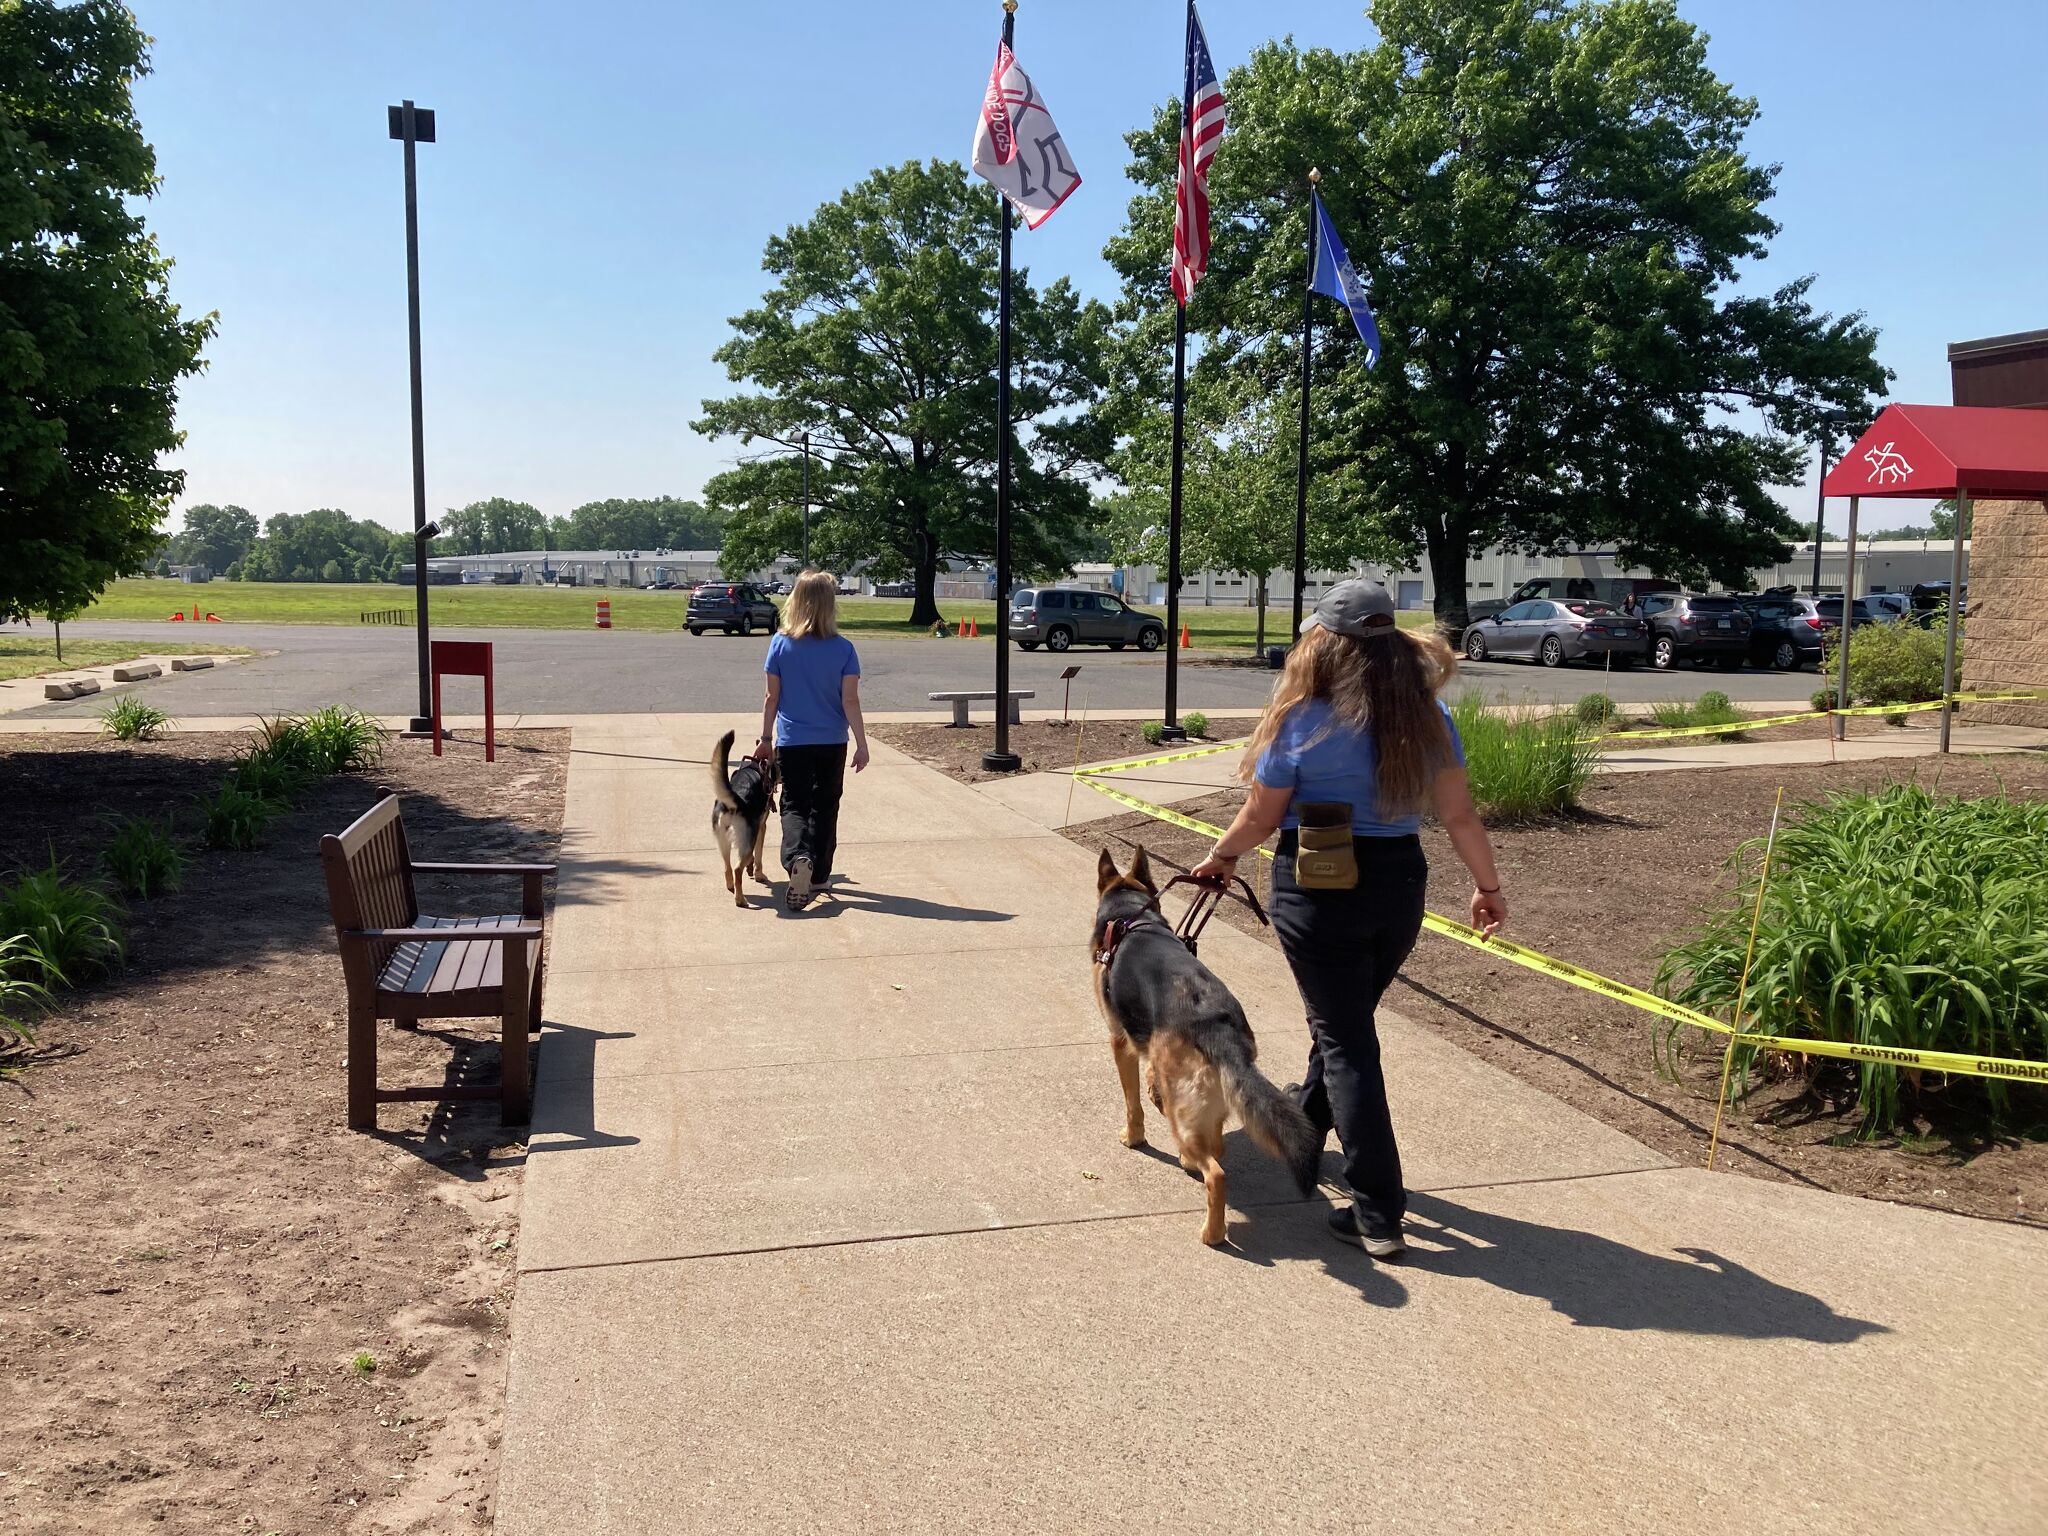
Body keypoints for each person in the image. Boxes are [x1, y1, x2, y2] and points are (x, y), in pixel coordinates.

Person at [1191, 580, 1505, 1260]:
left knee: (1346, 1041)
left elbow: (1261, 816)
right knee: (1345, 1026)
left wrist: (1219, 857)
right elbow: (1458, 815)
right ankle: (1301, 1130)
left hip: (1319, 884)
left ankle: (1375, 1210)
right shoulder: (1429, 719)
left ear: (1325, 643)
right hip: (1397, 887)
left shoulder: (1302, 718)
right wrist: (1487, 887)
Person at [752, 571, 869, 911]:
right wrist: (862, 744)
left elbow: (771, 698)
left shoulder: (780, 644)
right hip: (832, 741)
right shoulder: (844, 648)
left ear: (796, 602)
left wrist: (765, 738)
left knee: (794, 805)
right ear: (830, 605)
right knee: (826, 806)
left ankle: (796, 859)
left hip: (793, 741)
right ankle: (818, 875)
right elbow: (850, 701)